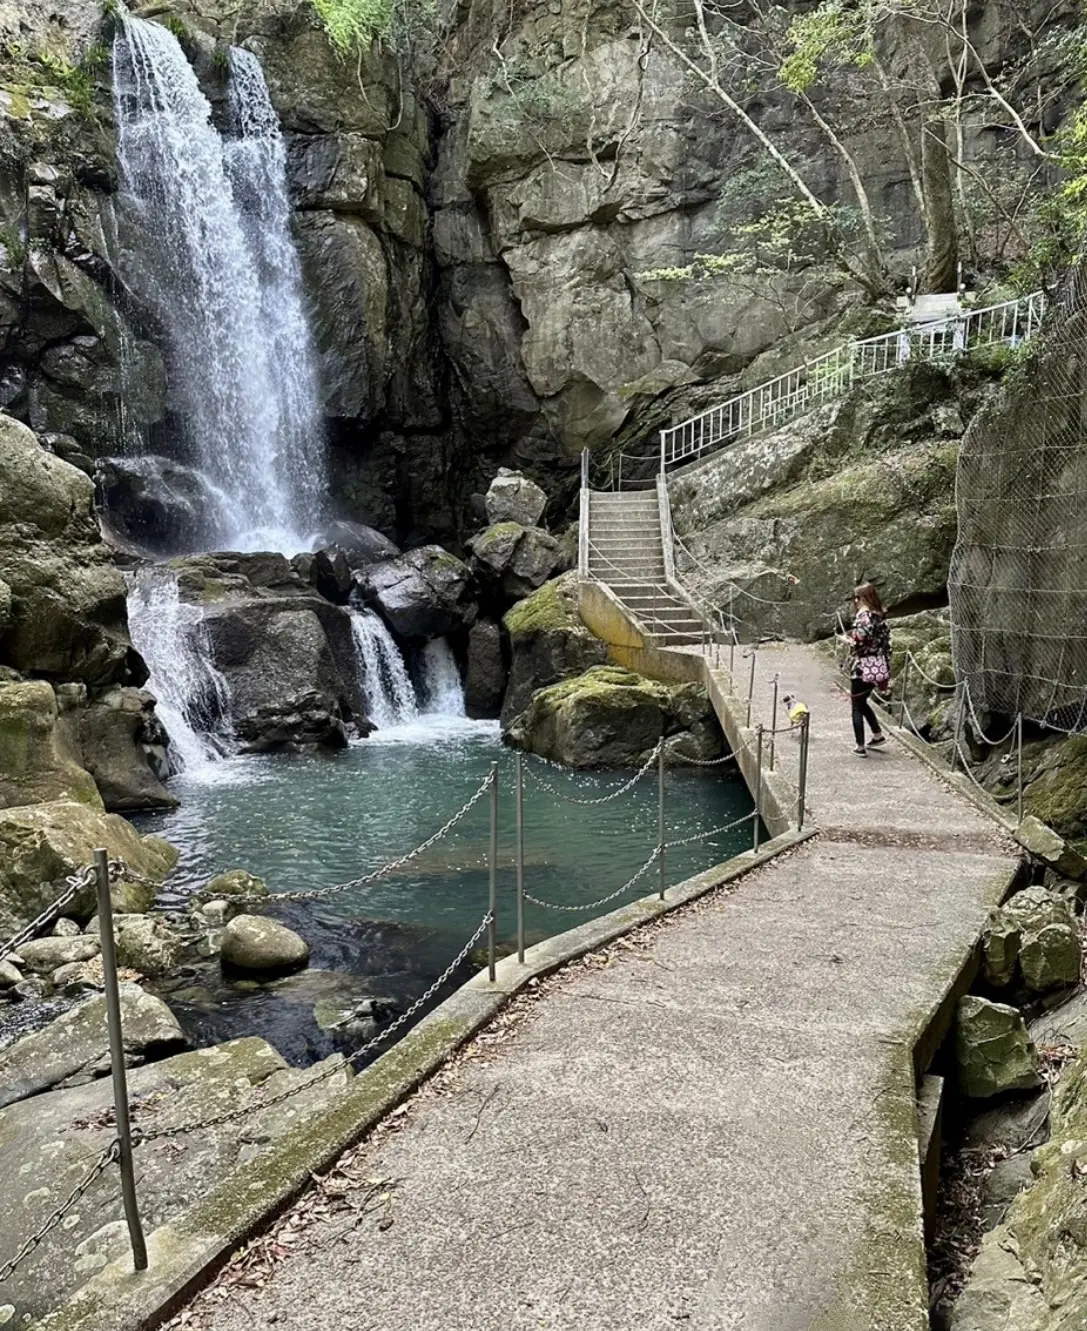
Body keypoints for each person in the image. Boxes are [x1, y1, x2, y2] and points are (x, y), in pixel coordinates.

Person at [840, 583, 891, 756]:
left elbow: (860, 640)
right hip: (878, 666)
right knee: (862, 702)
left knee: (856, 706)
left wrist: (848, 641)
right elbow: (884, 641)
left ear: (862, 599)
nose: (855, 601)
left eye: (856, 598)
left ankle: (860, 746)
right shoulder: (879, 615)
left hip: (862, 668)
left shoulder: (864, 616)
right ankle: (877, 735)